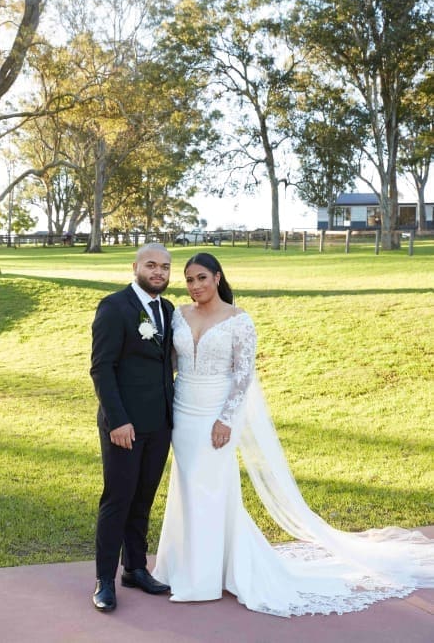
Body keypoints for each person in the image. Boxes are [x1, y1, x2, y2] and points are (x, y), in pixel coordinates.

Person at [153, 252, 434, 617]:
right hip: (183, 411)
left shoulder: (239, 320)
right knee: (188, 487)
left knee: (210, 488)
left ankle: (202, 579)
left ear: (217, 277)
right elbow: (171, 363)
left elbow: (243, 375)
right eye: (189, 280)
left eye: (202, 278)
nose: (195, 286)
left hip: (217, 414)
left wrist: (226, 419)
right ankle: (184, 565)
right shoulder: (179, 314)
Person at [90, 243, 174, 612]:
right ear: (135, 267)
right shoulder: (114, 307)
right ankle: (105, 580)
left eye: (165, 267)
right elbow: (102, 368)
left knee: (143, 498)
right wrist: (118, 420)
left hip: (160, 424)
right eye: (151, 265)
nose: (158, 272)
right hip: (124, 425)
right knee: (118, 499)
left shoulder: (167, 310)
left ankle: (135, 568)